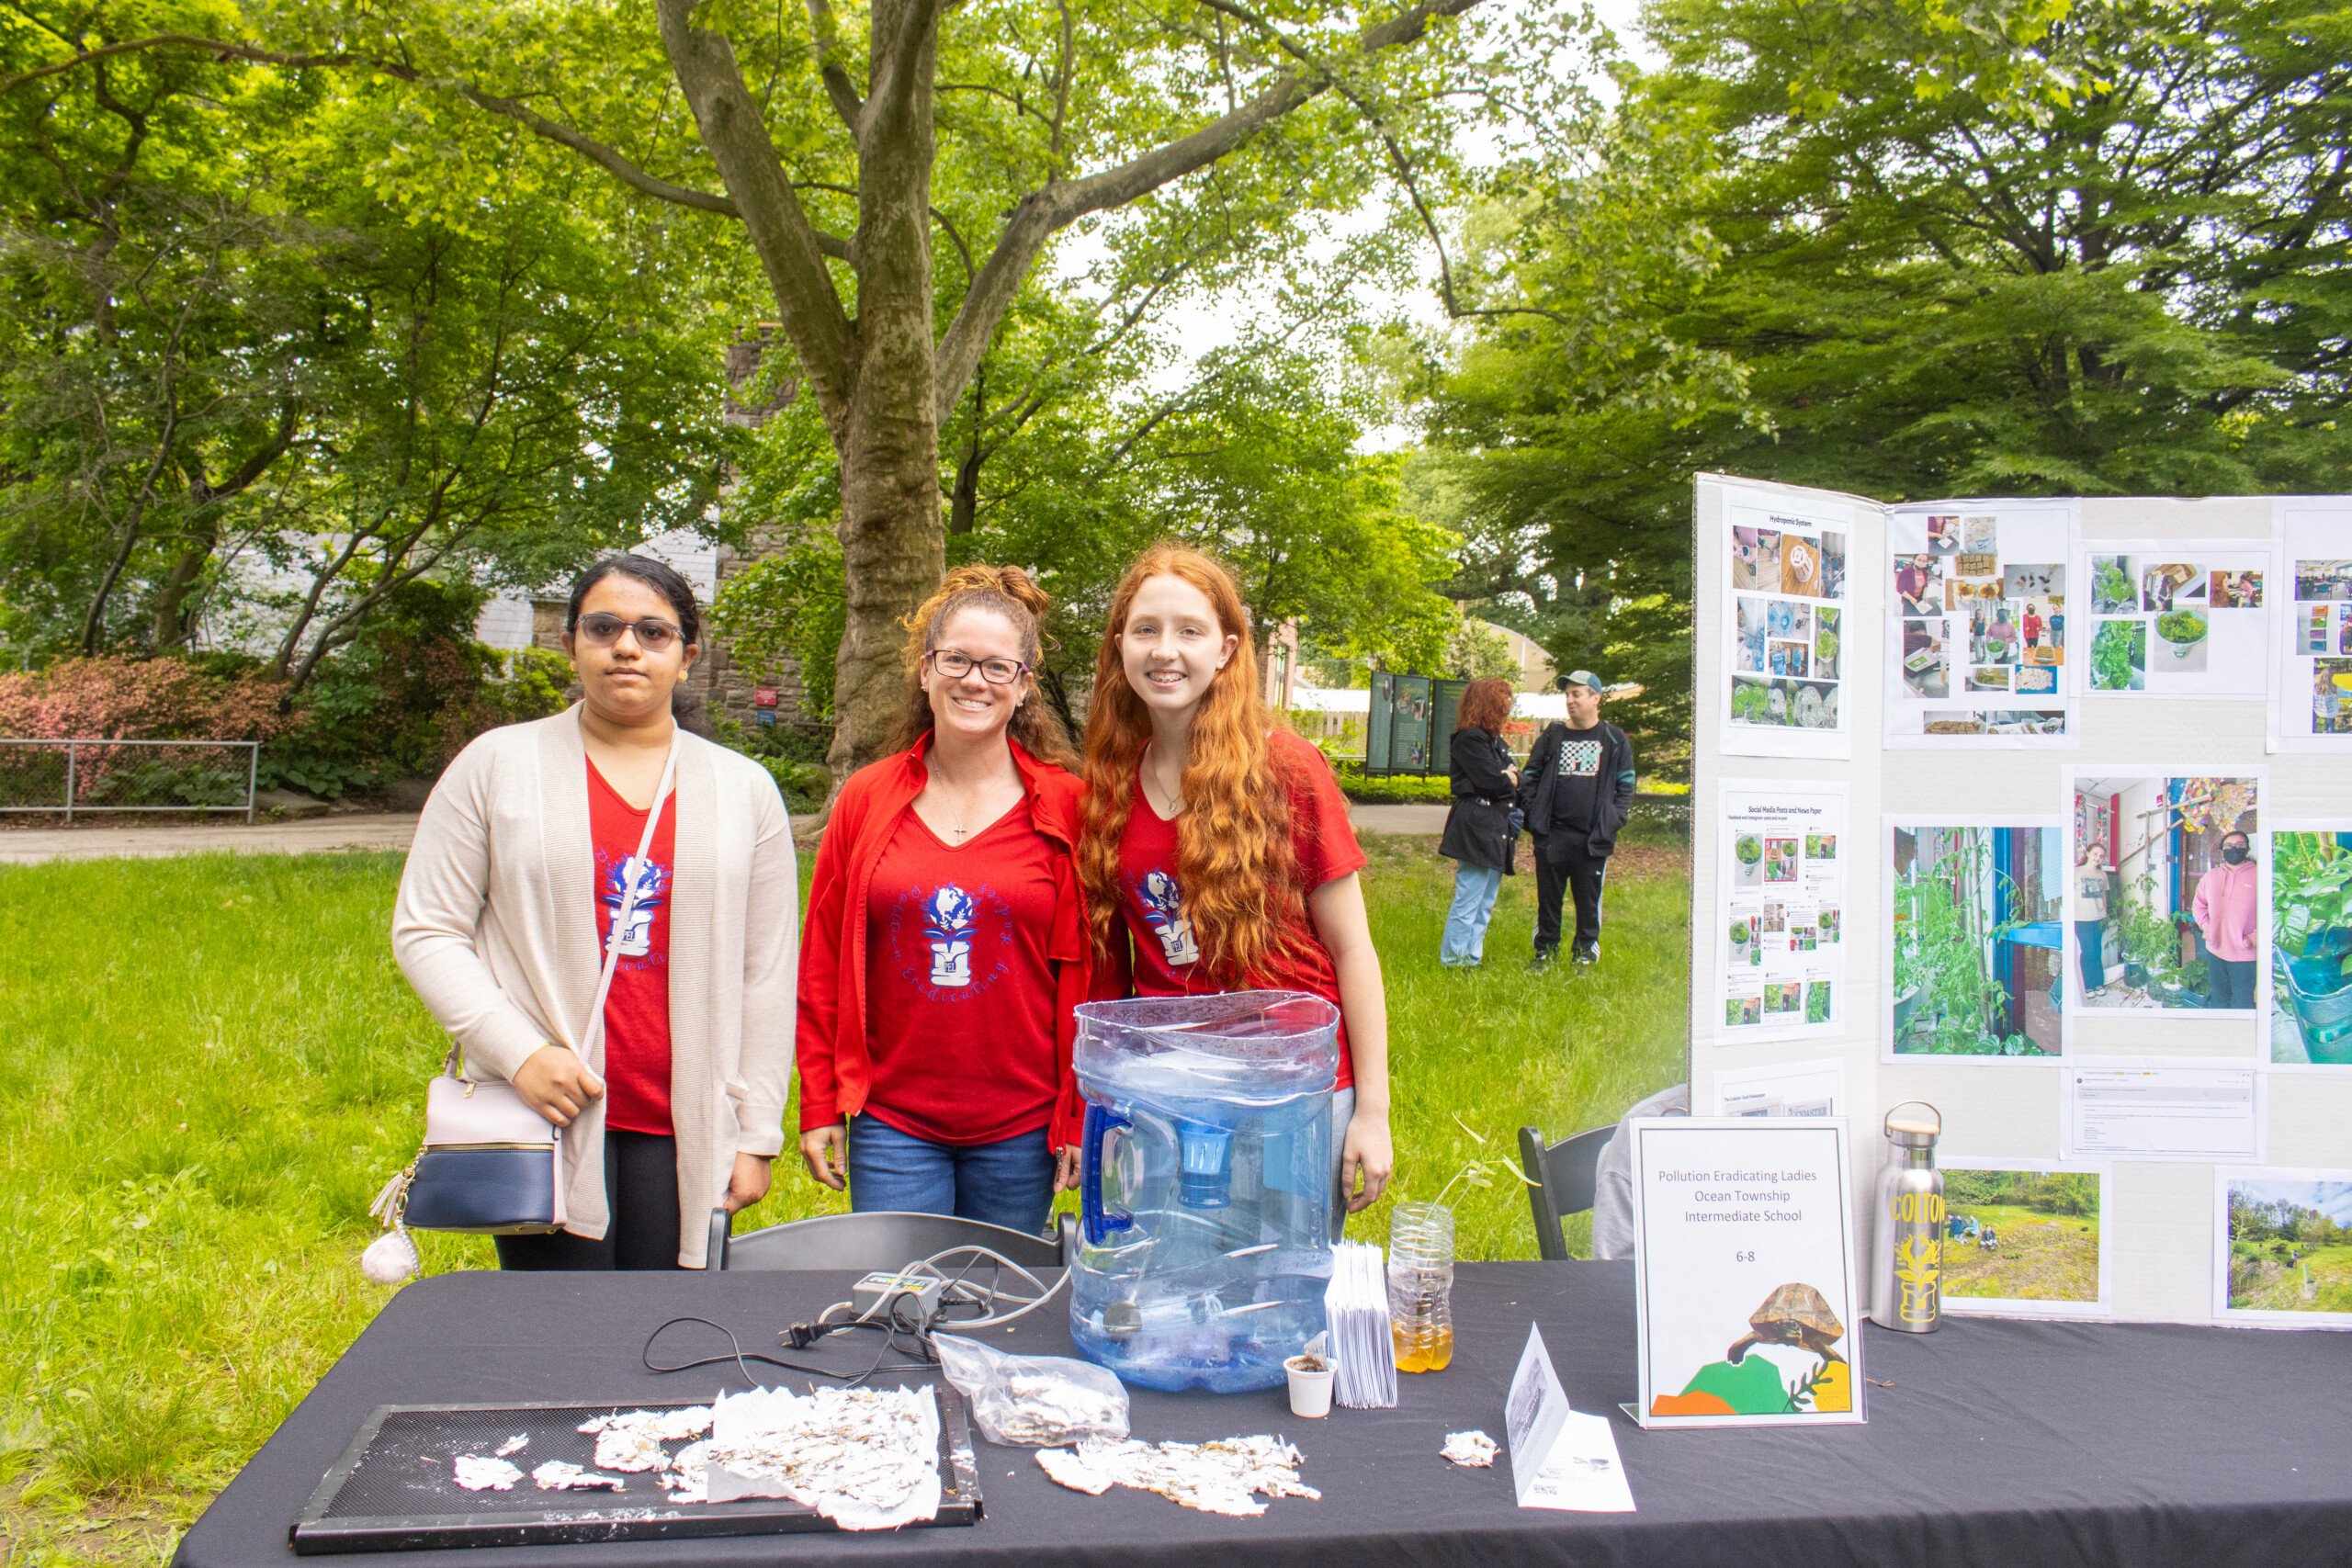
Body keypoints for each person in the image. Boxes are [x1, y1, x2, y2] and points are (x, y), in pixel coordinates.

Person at [392, 555, 797, 1269]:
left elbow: (766, 974)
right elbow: (428, 928)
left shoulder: (744, 790)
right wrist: (518, 1053)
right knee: (559, 1343)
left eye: (653, 631)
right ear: (570, 642)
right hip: (546, 1113)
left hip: (688, 1117)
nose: (627, 646)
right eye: (603, 626)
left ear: (688, 655)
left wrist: (758, 1131)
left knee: (669, 1340)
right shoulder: (496, 767)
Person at [1078, 544, 1394, 1231]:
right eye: (1145, 629)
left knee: (1277, 1304)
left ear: (1225, 649)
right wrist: (1097, 1105)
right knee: (1179, 1295)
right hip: (1172, 1090)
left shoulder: (1286, 767)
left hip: (1291, 1090)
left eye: (1189, 630)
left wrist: (1373, 1110)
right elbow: (1112, 972)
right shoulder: (1108, 786)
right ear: (1120, 646)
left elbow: (1354, 949)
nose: (1166, 650)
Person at [795, 567, 1089, 1235]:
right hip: (894, 1121)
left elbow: (1098, 979)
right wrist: (818, 1103)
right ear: (925, 671)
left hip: (1021, 1124)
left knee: (999, 1306)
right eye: (955, 659)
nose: (973, 679)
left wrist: (1080, 1112)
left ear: (1023, 685)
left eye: (995, 666)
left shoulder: (1070, 807)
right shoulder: (867, 800)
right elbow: (822, 964)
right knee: (902, 1308)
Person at [1517, 670, 1637, 968]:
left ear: (1595, 698)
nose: (1570, 700)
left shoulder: (1614, 738)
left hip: (1592, 839)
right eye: (1567, 695)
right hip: (1552, 836)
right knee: (1548, 901)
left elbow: (1626, 785)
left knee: (1587, 902)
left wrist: (1614, 819)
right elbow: (1529, 777)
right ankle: (1545, 953)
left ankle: (1584, 954)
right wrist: (1534, 817)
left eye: (1577, 694)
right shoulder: (1553, 735)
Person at [1437, 677, 1520, 967]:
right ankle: (1453, 959)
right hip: (1476, 825)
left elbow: (1512, 778)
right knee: (1470, 896)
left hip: (1495, 825)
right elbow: (1491, 781)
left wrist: (1510, 778)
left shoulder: (1493, 741)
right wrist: (1507, 778)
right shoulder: (1469, 738)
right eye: (1503, 699)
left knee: (1485, 900)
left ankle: (1472, 957)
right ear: (1488, 703)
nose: (1508, 705)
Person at [2192, 829, 2260, 1010]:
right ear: (2222, 851)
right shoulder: (2210, 876)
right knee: (2219, 998)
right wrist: (2207, 928)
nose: (2234, 849)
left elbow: (2271, 914)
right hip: (2215, 950)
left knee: (2242, 1003)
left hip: (2245, 954)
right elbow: (2198, 905)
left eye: (2239, 846)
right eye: (2229, 846)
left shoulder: (2260, 876)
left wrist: (2252, 939)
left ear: (2247, 849)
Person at [2069, 841, 2110, 999]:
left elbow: (2104, 896)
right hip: (2081, 919)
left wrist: (2105, 914)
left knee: (2097, 951)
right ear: (2087, 853)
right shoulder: (2076, 872)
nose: (2098, 858)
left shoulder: (2102, 874)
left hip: (2098, 919)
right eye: (2095, 854)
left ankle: (2098, 983)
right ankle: (2087, 985)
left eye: (2101, 856)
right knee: (2088, 951)